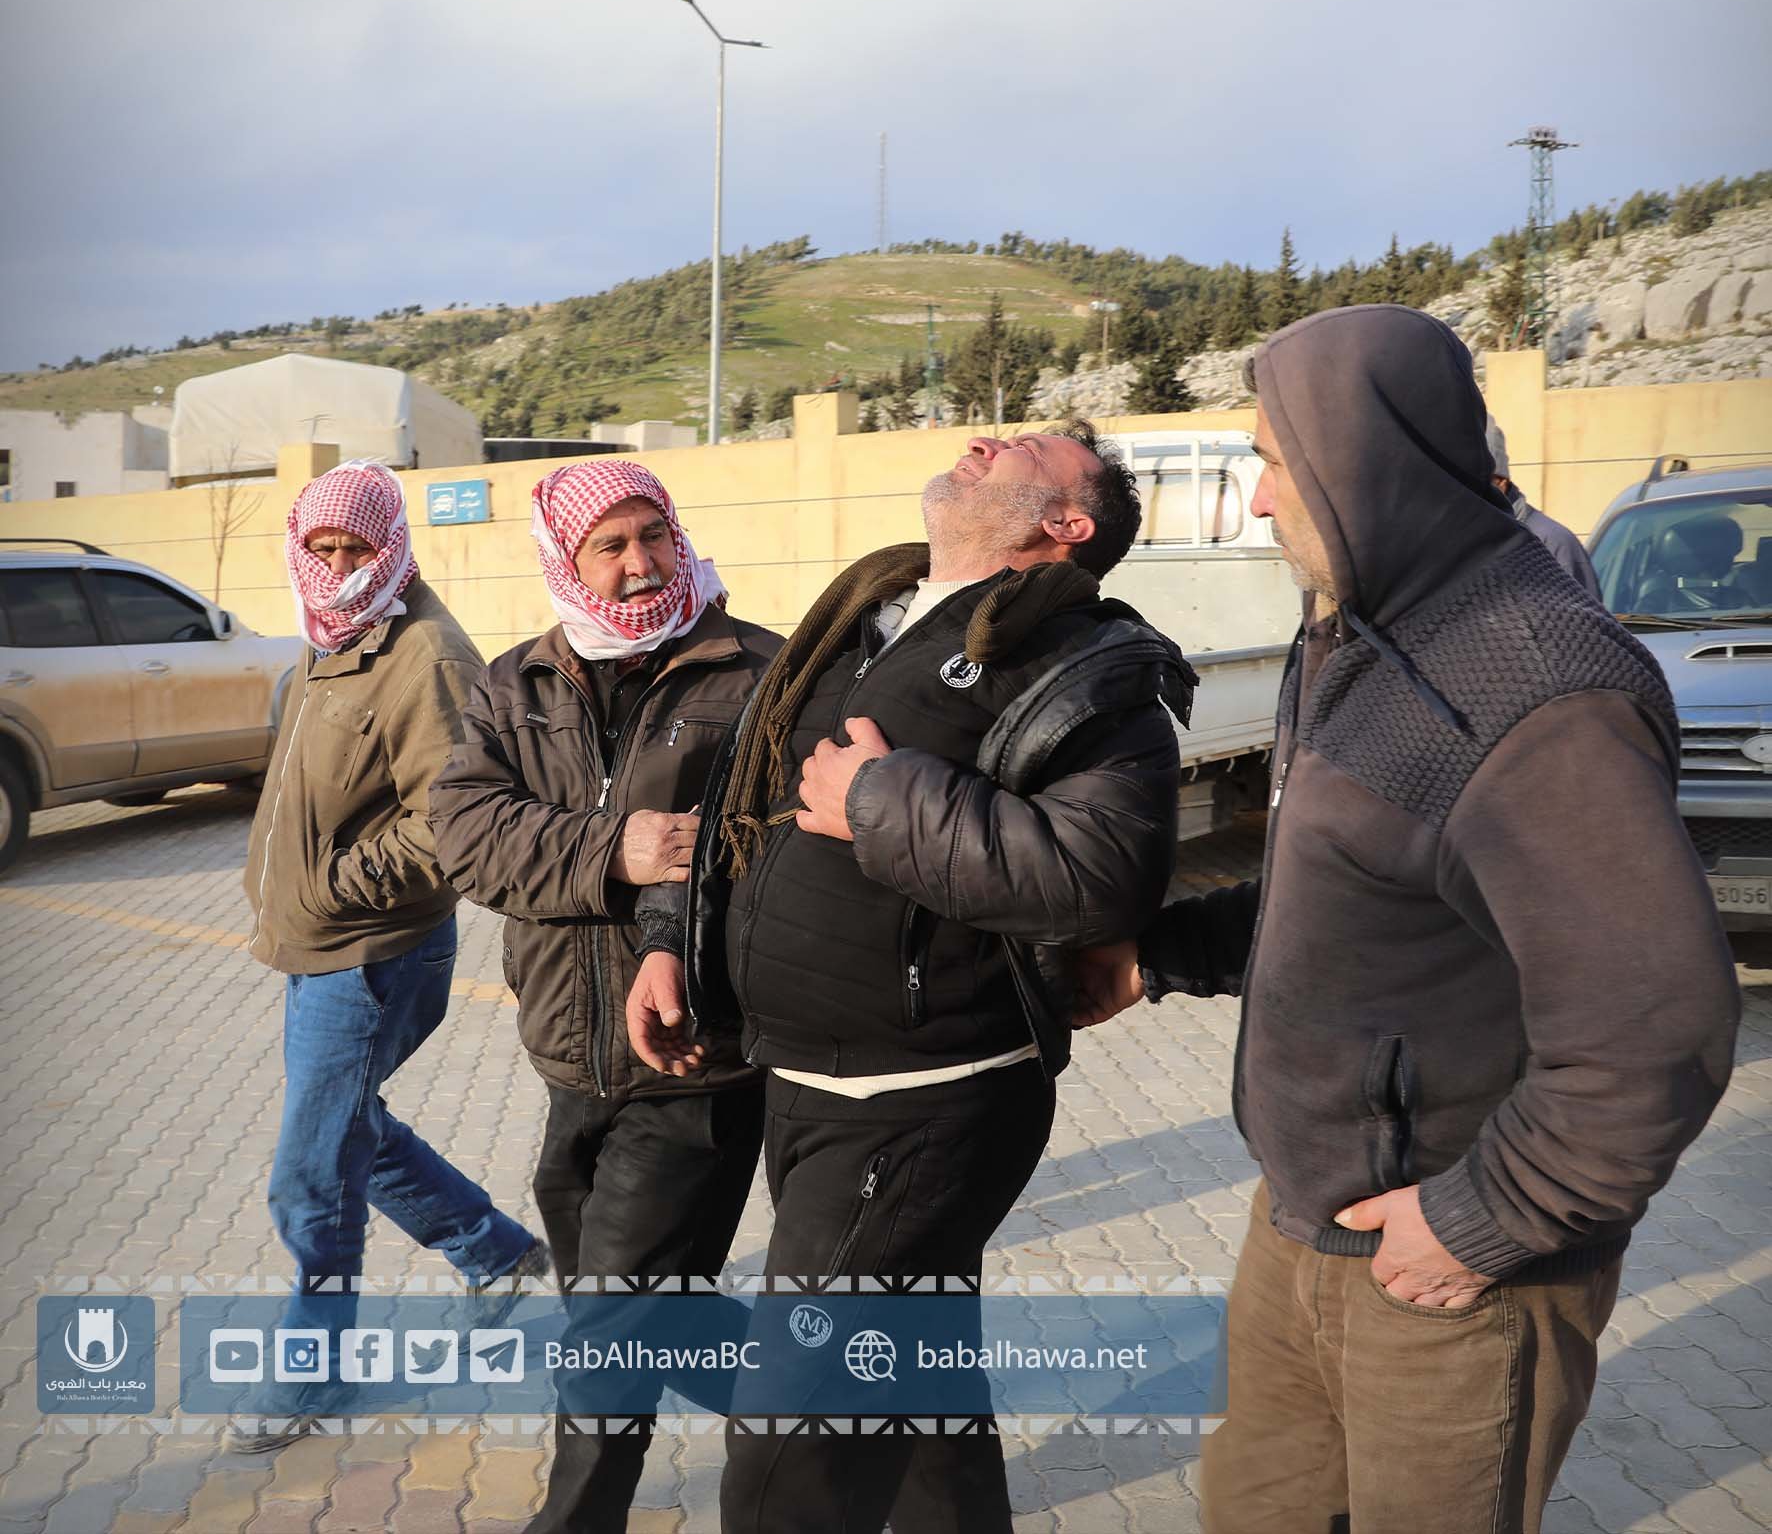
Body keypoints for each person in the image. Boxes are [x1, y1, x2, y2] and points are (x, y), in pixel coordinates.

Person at [1075, 306, 1740, 1534]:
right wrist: (1157, 956)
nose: (1260, 503)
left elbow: (1654, 1026)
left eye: (1272, 462)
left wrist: (1481, 1217)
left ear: (1356, 461)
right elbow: (1339, 893)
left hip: (1448, 1272)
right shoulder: (1357, 637)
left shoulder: (1535, 687)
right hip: (1300, 1225)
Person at [628, 422, 1190, 1534]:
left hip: (923, 1095)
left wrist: (884, 798)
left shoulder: (1086, 667)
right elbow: (746, 803)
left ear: (1065, 524)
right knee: (922, 1391)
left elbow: (1095, 878)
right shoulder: (866, 619)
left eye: (1024, 446)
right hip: (801, 1074)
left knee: (794, 1455)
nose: (982, 439)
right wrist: (665, 935)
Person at [431, 460, 781, 1534]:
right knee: (637, 1315)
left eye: (654, 536)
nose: (639, 565)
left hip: (695, 1058)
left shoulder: (757, 670)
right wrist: (612, 848)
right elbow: (463, 832)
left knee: (611, 1332)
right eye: (610, 546)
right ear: (563, 561)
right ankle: (839, 1429)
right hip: (565, 1060)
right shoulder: (518, 680)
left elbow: (774, 852)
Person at [236, 459, 545, 1453]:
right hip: (318, 946)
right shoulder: (330, 639)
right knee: (347, 1128)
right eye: (318, 548)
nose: (334, 567)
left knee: (310, 1170)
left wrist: (335, 882)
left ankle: (312, 1371)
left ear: (390, 545)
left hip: (371, 955)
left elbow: (452, 820)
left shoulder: (423, 653)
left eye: (353, 548)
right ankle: (492, 1252)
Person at [1484, 417, 1603, 599]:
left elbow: (1587, 624)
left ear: (1501, 481)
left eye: (1475, 481)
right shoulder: (1460, 543)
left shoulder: (1554, 545)